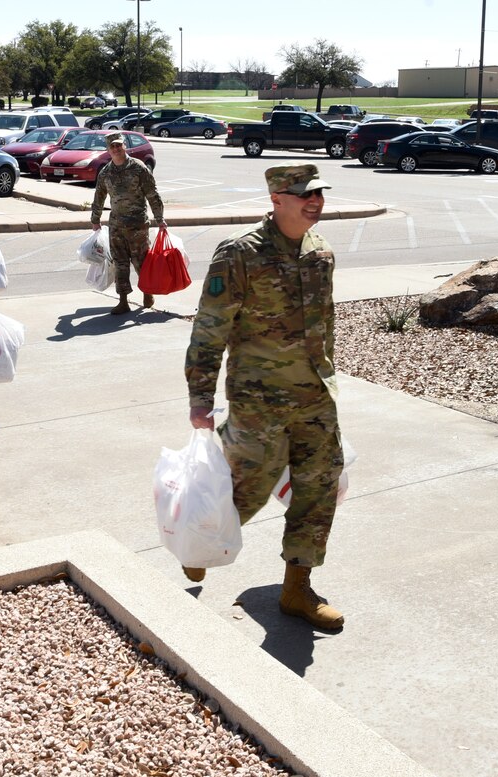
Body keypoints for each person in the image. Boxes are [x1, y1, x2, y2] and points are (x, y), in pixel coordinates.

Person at [184, 164, 345, 630]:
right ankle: (200, 544)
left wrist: (328, 380)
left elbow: (325, 328)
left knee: (319, 488)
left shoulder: (321, 253)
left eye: (318, 193)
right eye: (303, 194)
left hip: (315, 395)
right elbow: (209, 329)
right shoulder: (240, 254)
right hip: (258, 399)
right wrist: (201, 398)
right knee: (247, 490)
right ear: (277, 199)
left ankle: (297, 587)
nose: (314, 201)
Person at [89, 132, 166, 315]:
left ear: (124, 146)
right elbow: (99, 197)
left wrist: (160, 218)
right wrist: (95, 219)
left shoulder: (138, 168)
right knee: (120, 263)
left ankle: (147, 292)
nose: (116, 149)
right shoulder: (106, 172)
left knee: (141, 262)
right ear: (108, 150)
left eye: (118, 145)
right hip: (116, 225)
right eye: (112, 146)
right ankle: (123, 300)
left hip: (138, 225)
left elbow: (152, 194)